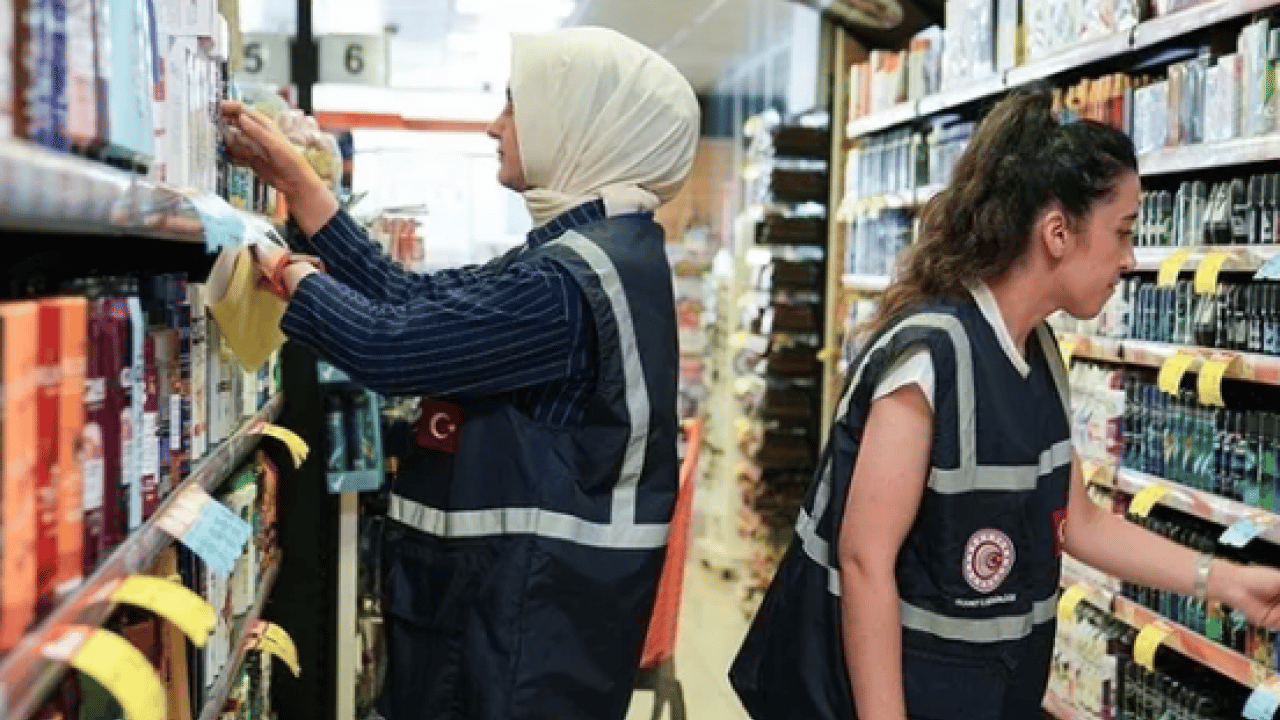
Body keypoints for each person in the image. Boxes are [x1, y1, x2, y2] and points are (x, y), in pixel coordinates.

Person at [729, 91, 1280, 720]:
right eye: (1122, 231)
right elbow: (863, 562)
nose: (1130, 258)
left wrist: (1227, 581)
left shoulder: (1039, 350)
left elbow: (1080, 523)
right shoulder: (929, 361)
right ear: (1056, 232)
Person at [219, 26, 700, 720]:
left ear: (580, 121)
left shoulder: (570, 283)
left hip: (515, 630)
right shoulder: (594, 252)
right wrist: (303, 189)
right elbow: (419, 301)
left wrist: (290, 273)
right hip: (522, 618)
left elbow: (393, 346)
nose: (493, 126)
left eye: (514, 106)